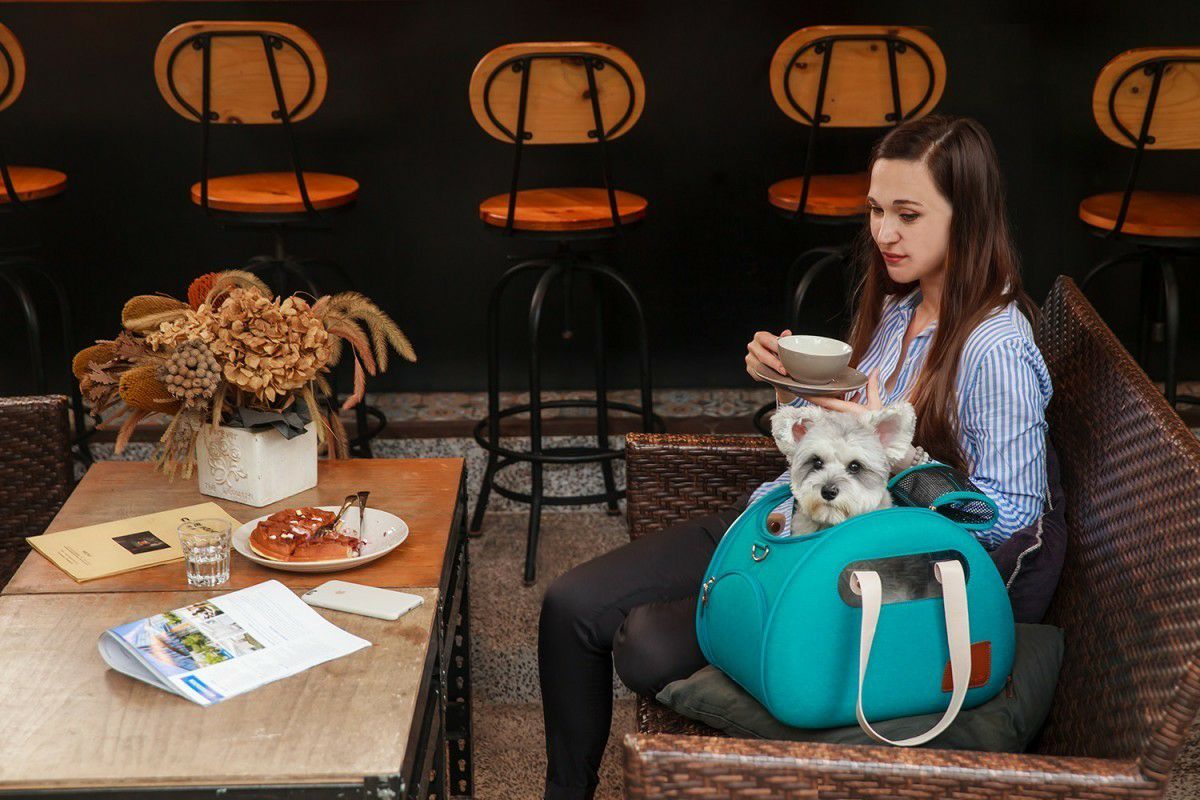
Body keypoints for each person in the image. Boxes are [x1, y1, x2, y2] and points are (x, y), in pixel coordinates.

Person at [537, 114, 1053, 800]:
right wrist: (791, 389)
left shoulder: (997, 349)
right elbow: (843, 437)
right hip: (790, 519)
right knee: (571, 605)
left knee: (646, 644)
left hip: (861, 570)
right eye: (876, 210)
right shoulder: (902, 309)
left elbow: (1012, 521)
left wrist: (895, 456)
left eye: (908, 214)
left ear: (970, 217)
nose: (883, 234)